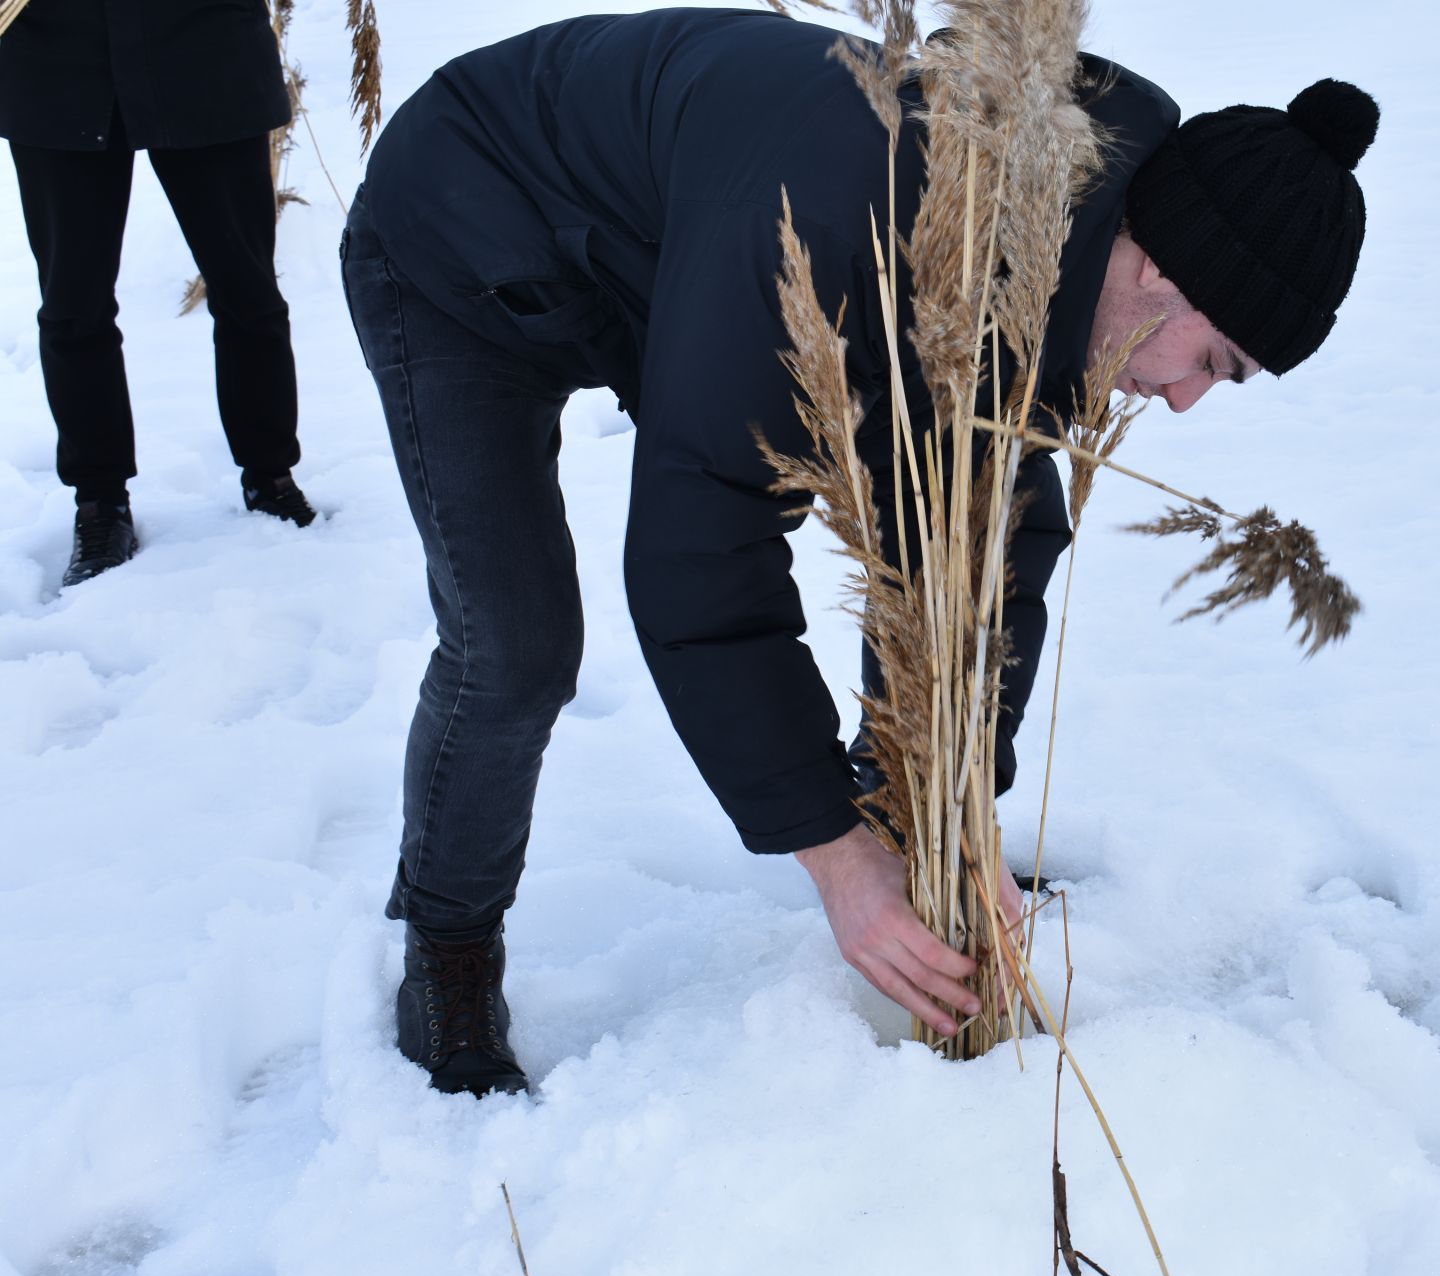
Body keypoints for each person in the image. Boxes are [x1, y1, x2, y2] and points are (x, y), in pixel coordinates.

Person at [341, 7, 1378, 1096]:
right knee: (517, 640)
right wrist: (836, 856)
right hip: (464, 243)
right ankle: (449, 936)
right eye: (1211, 361)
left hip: (661, 258)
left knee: (939, 500)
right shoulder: (844, 211)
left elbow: (991, 531)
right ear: (1158, 266)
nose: (1182, 401)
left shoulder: (1048, 243)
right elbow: (704, 543)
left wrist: (938, 805)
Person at [0, 0, 317, 590]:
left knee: (247, 289)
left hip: (205, 43)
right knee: (73, 304)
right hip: (54, 55)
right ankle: (99, 505)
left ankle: (271, 477)